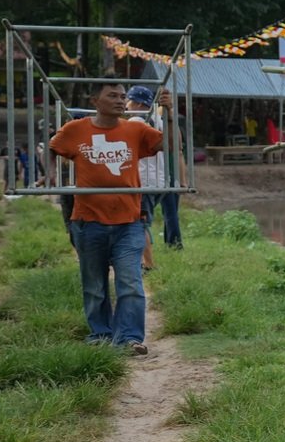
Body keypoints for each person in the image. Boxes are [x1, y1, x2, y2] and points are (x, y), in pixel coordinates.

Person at [48, 81, 163, 355]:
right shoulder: (76, 129)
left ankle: (130, 338)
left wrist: (169, 112)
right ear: (95, 100)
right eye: (112, 95)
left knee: (131, 283)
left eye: (123, 96)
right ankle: (100, 334)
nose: (120, 100)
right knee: (95, 285)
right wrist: (53, 178)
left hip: (129, 222)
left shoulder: (135, 129)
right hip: (89, 222)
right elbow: (52, 149)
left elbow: (167, 144)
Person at [127, 84, 184, 252]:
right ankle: (173, 246)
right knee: (152, 220)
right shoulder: (159, 119)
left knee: (139, 225)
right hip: (160, 179)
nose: (125, 105)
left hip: (143, 179)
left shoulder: (136, 121)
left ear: (138, 103)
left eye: (128, 101)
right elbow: (178, 145)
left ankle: (147, 264)